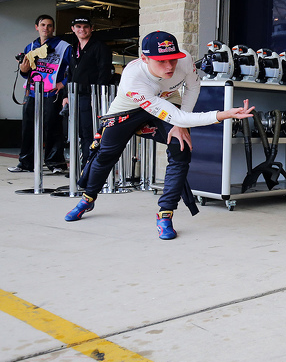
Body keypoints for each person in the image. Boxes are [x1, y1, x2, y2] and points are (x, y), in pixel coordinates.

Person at [64, 31, 255, 240]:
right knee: (106, 154)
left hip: (168, 102)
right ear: (144, 59)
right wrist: (223, 114)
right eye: (161, 61)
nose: (169, 67)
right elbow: (174, 115)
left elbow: (193, 86)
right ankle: (88, 198)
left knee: (180, 148)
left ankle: (165, 214)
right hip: (129, 108)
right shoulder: (133, 79)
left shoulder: (184, 59)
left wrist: (182, 122)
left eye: (172, 60)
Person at [9, 14, 72, 173]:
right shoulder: (30, 47)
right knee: (28, 128)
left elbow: (73, 70)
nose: (46, 28)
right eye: (43, 25)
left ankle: (55, 163)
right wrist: (23, 70)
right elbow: (26, 72)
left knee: (53, 128)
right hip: (31, 92)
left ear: (54, 28)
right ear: (37, 27)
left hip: (52, 93)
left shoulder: (64, 46)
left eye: (49, 25)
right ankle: (26, 163)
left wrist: (63, 84)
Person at [67, 17, 114, 167]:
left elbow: (104, 71)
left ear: (91, 28)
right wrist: (65, 96)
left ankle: (89, 165)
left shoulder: (100, 47)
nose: (82, 29)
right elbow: (70, 73)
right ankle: (83, 162)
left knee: (90, 131)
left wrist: (98, 96)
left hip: (91, 95)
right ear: (73, 29)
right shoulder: (74, 48)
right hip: (76, 95)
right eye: (78, 26)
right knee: (80, 131)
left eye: (85, 26)